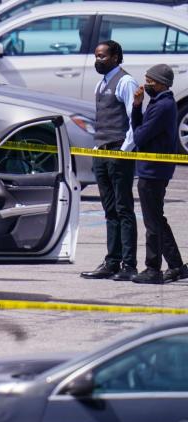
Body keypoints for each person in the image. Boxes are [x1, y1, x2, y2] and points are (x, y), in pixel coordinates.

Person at [81, 40, 139, 281]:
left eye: (103, 56)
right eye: (96, 56)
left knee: (124, 208)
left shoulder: (125, 82)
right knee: (109, 209)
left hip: (118, 151)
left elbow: (134, 121)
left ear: (115, 57)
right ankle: (112, 261)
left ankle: (129, 264)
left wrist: (124, 150)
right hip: (101, 151)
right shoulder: (100, 84)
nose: (98, 60)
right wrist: (96, 149)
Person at [130, 65, 188, 284]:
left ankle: (153, 269)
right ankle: (176, 265)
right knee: (157, 219)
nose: (146, 85)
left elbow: (140, 136)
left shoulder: (163, 106)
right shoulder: (158, 103)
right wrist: (137, 106)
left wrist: (138, 119)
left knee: (152, 223)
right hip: (150, 169)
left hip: (154, 171)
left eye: (150, 81)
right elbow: (139, 130)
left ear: (162, 83)